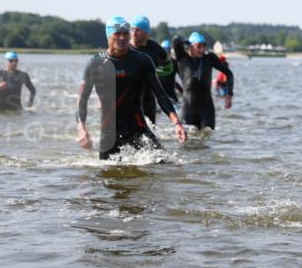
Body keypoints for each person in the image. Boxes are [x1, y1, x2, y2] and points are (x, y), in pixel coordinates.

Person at [76, 16, 187, 160]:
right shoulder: (96, 64)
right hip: (109, 131)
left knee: (162, 163)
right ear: (108, 36)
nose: (122, 38)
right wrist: (81, 128)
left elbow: (160, 94)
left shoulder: (142, 60)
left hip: (137, 126)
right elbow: (82, 98)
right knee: (108, 175)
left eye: (125, 33)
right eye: (117, 34)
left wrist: (177, 123)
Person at [172, 32, 233, 131]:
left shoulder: (210, 58)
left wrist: (229, 95)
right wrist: (188, 42)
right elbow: (176, 39)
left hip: (207, 111)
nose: (202, 49)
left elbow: (229, 74)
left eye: (204, 46)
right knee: (186, 142)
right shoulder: (182, 58)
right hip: (187, 109)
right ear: (190, 47)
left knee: (207, 138)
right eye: (198, 46)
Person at [129, 15, 178, 123]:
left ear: (146, 32)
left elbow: (168, 67)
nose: (133, 32)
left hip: (148, 99)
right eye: (132, 29)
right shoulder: (124, 48)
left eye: (138, 30)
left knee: (150, 134)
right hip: (128, 100)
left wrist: (153, 74)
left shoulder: (155, 49)